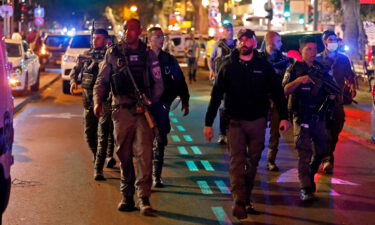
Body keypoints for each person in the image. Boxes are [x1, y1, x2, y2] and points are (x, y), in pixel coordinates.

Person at [204, 29, 290, 220]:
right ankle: (239, 201)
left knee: (252, 163)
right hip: (235, 122)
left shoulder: (264, 66)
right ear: (237, 43)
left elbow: (277, 92)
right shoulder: (228, 66)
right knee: (237, 162)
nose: (244, 43)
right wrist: (208, 123)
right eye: (240, 40)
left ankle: (246, 196)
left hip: (258, 121)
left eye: (247, 40)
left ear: (253, 42)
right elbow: (216, 96)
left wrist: (284, 117)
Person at [94, 18, 163, 216]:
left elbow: (158, 84)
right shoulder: (113, 53)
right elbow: (102, 80)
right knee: (123, 154)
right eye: (125, 28)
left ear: (140, 31)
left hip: (142, 112)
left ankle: (144, 198)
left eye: (132, 29)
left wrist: (148, 103)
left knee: (145, 155)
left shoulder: (148, 54)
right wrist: (98, 101)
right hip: (120, 110)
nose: (127, 32)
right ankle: (127, 196)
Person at [283, 35, 339, 201]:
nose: (312, 52)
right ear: (301, 51)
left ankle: (310, 173)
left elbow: (333, 87)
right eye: (309, 49)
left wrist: (333, 96)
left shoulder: (321, 68)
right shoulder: (293, 69)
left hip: (319, 115)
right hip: (301, 115)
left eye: (315, 49)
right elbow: (284, 90)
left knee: (322, 150)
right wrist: (300, 80)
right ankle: (305, 188)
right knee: (304, 152)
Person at [69, 29, 116, 180]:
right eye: (94, 38)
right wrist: (73, 81)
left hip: (105, 101)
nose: (95, 41)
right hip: (88, 100)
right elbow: (75, 71)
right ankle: (98, 156)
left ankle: (98, 167)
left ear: (106, 39)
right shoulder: (86, 55)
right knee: (89, 134)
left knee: (103, 135)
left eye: (99, 38)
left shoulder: (111, 55)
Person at [147, 27, 190, 188]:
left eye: (162, 36)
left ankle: (156, 176)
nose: (161, 39)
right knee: (144, 142)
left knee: (160, 140)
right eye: (157, 36)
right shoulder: (144, 58)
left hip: (162, 105)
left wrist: (185, 100)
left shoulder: (169, 59)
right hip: (144, 106)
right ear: (149, 39)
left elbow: (179, 80)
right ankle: (144, 174)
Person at [316, 30, 356, 174]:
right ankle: (327, 159)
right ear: (324, 42)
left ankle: (327, 154)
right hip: (322, 101)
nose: (333, 42)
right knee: (325, 131)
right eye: (330, 39)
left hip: (338, 101)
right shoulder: (317, 59)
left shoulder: (343, 59)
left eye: (334, 39)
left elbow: (349, 75)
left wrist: (352, 85)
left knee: (335, 130)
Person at [259, 31, 293, 171]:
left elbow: (288, 79)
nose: (281, 44)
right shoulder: (258, 59)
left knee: (274, 132)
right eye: (278, 41)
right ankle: (252, 157)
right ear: (270, 42)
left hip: (277, 100)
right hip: (260, 100)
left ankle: (271, 160)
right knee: (258, 130)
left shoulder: (285, 61)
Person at [208, 23, 237, 145]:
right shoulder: (218, 45)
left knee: (234, 106)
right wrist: (211, 71)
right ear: (223, 32)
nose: (228, 32)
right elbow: (211, 58)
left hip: (235, 79)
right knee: (222, 106)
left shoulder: (237, 44)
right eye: (226, 30)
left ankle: (233, 133)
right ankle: (222, 133)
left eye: (230, 29)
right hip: (221, 79)